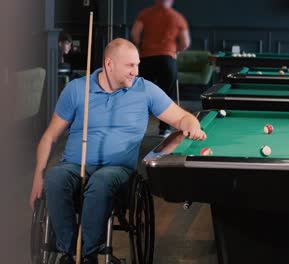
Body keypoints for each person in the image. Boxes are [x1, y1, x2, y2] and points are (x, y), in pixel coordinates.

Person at [29, 38, 206, 264]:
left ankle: (87, 255)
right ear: (109, 64)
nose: (136, 71)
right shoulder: (77, 89)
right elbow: (49, 136)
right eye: (130, 65)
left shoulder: (145, 90)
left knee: (102, 180)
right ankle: (70, 250)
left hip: (117, 171)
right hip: (74, 167)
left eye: (137, 65)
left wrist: (191, 125)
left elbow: (182, 117)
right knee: (53, 177)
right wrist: (37, 176)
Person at [130, 0, 191, 138]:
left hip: (147, 58)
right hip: (167, 59)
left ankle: (136, 128)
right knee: (166, 95)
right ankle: (164, 129)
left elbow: (135, 33)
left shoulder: (145, 14)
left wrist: (140, 47)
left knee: (142, 94)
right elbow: (186, 42)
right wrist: (175, 50)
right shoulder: (177, 17)